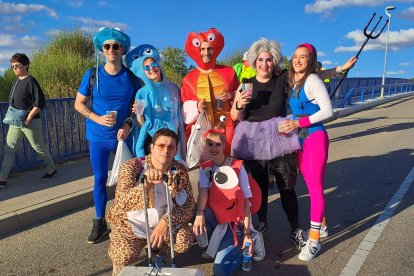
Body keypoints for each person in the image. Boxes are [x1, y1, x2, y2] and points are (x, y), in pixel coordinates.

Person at [74, 27, 140, 244]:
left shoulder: (131, 78)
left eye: (116, 46)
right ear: (102, 50)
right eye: (107, 46)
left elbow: (135, 107)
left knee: (128, 181)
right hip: (98, 137)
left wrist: (129, 124)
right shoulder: (92, 74)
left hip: (123, 138)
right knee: (100, 179)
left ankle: (127, 221)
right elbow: (79, 104)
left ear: (122, 50)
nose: (111, 49)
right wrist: (97, 118)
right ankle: (100, 222)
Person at [107, 128, 195, 275]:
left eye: (171, 147)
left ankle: (161, 256)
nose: (166, 150)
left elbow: (189, 205)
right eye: (161, 146)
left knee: (184, 239)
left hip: (162, 224)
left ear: (176, 150)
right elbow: (118, 207)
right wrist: (145, 186)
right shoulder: (132, 167)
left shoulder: (179, 170)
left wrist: (167, 221)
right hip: (133, 224)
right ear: (152, 147)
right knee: (122, 254)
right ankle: (119, 270)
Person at [279, 43, 334, 261]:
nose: (298, 60)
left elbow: (328, 110)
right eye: (295, 57)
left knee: (315, 189)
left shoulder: (312, 80)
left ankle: (314, 240)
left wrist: (298, 123)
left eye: (303, 57)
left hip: (315, 138)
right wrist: (289, 123)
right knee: (310, 184)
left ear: (311, 60)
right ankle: (323, 225)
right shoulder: (297, 81)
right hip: (301, 139)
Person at [193, 129, 260, 276]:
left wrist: (247, 231)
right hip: (216, 218)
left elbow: (246, 202)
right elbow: (203, 193)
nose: (214, 148)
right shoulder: (205, 168)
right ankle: (217, 243)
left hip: (234, 223)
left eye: (218, 144)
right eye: (210, 144)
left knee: (220, 271)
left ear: (224, 145)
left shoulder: (237, 166)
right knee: (196, 213)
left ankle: (244, 244)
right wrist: (199, 214)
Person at [0, 53, 57, 189]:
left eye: (17, 65)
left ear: (25, 65)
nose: (14, 68)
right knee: (9, 149)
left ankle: (52, 169)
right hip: (15, 121)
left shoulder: (31, 81)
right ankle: (2, 178)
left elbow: (40, 102)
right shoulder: (15, 81)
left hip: (29, 122)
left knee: (38, 147)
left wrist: (30, 116)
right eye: (12, 66)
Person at [181, 28, 239, 155]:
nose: (206, 53)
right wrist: (196, 106)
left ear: (215, 49)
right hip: (200, 130)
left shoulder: (229, 72)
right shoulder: (188, 79)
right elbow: (184, 104)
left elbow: (240, 96)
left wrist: (231, 95)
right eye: (202, 49)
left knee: (227, 162)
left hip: (226, 127)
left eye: (209, 48)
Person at [126, 44, 186, 160]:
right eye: (147, 68)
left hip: (173, 138)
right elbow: (139, 121)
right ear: (143, 72)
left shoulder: (174, 88)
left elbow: (179, 113)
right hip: (152, 139)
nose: (151, 68)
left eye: (153, 64)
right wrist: (139, 112)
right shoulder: (141, 93)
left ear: (159, 65)